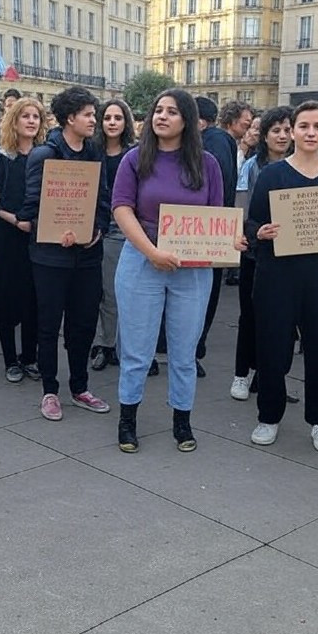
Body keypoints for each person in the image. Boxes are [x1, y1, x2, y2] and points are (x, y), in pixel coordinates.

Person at [113, 89, 226, 454]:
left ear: (187, 120)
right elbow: (122, 208)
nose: (161, 116)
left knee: (183, 349)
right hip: (142, 259)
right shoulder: (134, 158)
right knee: (137, 349)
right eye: (158, 110)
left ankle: (182, 419)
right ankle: (127, 418)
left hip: (191, 268)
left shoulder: (206, 163)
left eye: (172, 111)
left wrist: (231, 242)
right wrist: (152, 252)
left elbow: (217, 219)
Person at [247, 100, 318, 453]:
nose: (311, 133)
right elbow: (252, 224)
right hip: (279, 276)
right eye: (304, 126)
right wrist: (261, 232)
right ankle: (269, 416)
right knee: (273, 347)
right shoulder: (272, 175)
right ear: (292, 130)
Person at [14, 86, 110, 421]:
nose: (93, 121)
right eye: (87, 115)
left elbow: (102, 200)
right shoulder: (44, 155)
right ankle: (50, 391)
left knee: (83, 323)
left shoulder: (94, 152)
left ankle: (80, 387)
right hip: (50, 257)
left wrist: (94, 229)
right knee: (49, 323)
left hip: (87, 255)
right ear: (70, 118)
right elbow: (30, 210)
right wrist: (54, 229)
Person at [230, 107, 292, 401]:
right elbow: (241, 206)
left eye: (287, 130)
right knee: (250, 316)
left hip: (292, 257)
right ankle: (241, 374)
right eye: (276, 130)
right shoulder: (252, 166)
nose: (283, 135)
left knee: (285, 322)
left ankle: (271, 378)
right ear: (264, 135)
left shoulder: (302, 166)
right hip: (256, 253)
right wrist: (249, 234)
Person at [0, 97, 46, 382]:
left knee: (35, 298)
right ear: (15, 121)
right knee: (7, 297)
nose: (32, 121)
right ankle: (11, 359)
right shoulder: (0, 157)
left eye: (36, 116)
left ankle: (30, 358)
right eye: (26, 116)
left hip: (36, 236)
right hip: (7, 235)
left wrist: (32, 224)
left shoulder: (46, 156)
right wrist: (15, 220)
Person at [90, 98, 135, 371]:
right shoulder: (92, 151)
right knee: (94, 292)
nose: (112, 123)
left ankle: (111, 345)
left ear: (125, 122)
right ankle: (100, 343)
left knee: (114, 292)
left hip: (120, 230)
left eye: (118, 118)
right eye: (107, 118)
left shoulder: (134, 154)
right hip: (92, 227)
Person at [194, 97, 238, 373]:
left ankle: (193, 349)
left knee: (201, 292)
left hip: (203, 228)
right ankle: (193, 349)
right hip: (215, 225)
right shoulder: (223, 140)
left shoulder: (212, 143)